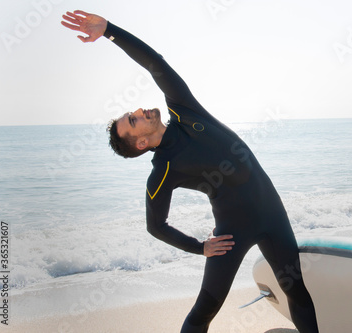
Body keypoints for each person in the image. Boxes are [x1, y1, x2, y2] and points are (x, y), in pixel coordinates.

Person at [61, 10, 319, 333]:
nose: (140, 111)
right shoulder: (162, 170)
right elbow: (155, 226)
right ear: (140, 142)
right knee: (203, 312)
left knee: (297, 292)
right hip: (231, 233)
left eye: (133, 112)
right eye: (133, 119)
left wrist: (109, 30)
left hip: (271, 211)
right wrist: (201, 247)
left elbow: (154, 62)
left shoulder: (183, 110)